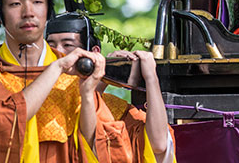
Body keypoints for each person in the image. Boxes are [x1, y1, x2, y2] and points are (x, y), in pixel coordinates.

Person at [0, 0, 108, 162]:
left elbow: (94, 147)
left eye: (37, 2)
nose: (28, 12)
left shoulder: (73, 73)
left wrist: (87, 94)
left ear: (48, 9)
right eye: (15, 3)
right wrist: (55, 68)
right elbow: (5, 120)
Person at [46, 12, 176, 163]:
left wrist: (151, 78)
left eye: (67, 45)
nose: (57, 51)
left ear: (93, 53)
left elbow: (159, 146)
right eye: (50, 46)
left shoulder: (116, 109)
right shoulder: (38, 95)